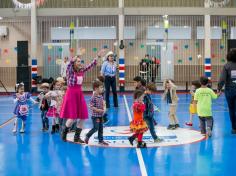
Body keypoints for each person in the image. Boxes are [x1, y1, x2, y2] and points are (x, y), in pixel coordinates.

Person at [60, 49, 105, 142]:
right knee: (72, 117)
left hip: (79, 94)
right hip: (71, 94)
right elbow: (69, 64)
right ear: (74, 63)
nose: (80, 63)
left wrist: (98, 56)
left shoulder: (81, 70)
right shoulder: (70, 70)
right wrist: (74, 56)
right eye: (78, 61)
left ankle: (77, 137)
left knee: (83, 116)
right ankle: (64, 133)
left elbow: (91, 65)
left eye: (80, 61)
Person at [217, 48, 236, 134]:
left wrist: (219, 88)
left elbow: (222, 79)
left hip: (230, 91)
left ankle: (234, 128)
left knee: (231, 109)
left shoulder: (226, 66)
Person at [84, 80, 109, 146]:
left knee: (101, 128)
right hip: (96, 116)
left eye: (102, 87)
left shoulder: (100, 96)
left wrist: (104, 107)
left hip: (101, 116)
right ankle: (87, 136)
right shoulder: (93, 97)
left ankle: (101, 140)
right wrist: (98, 110)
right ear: (96, 88)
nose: (102, 89)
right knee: (96, 128)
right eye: (101, 87)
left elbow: (103, 103)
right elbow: (91, 107)